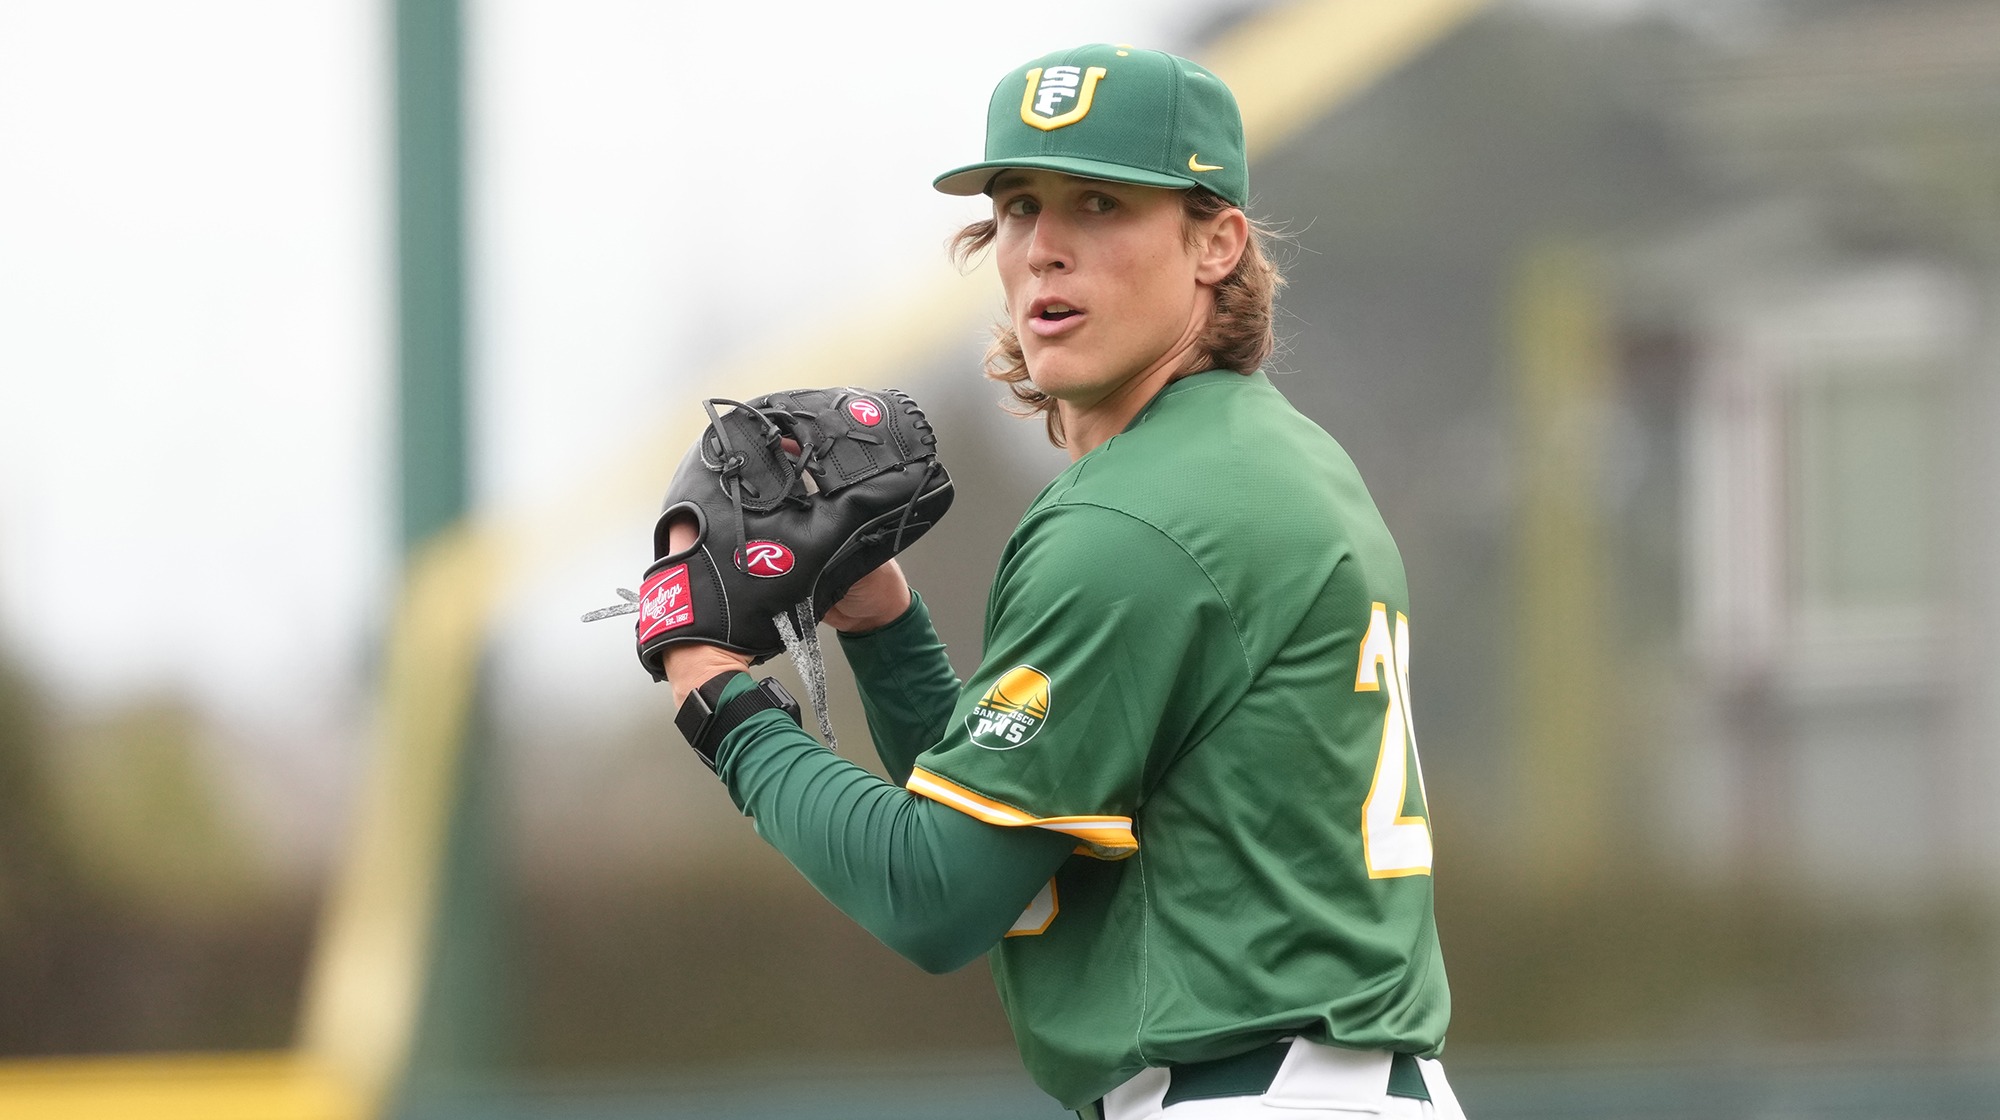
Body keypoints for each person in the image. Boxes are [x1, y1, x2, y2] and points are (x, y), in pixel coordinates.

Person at [657, 43, 1464, 1120]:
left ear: (1216, 241)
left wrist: (716, 695)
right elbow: (1022, 852)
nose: (1044, 250)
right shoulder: (1263, 460)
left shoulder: (1136, 520)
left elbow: (938, 894)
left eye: (1097, 204)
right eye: (1018, 207)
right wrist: (886, 629)